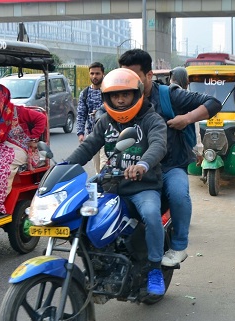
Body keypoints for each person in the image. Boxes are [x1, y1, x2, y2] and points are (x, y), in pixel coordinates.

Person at [65, 68, 168, 295]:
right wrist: (64, 165)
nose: (120, 100)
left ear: (136, 94)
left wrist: (142, 165)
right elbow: (88, 147)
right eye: (114, 95)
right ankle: (95, 263)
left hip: (143, 186)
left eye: (125, 94)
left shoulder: (152, 120)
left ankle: (154, 268)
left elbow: (158, 145)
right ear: (107, 98)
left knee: (151, 214)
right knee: (78, 212)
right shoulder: (105, 122)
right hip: (110, 183)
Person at [118, 49, 222, 267]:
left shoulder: (169, 95)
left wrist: (186, 118)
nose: (128, 83)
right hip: (132, 168)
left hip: (169, 165)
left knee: (178, 194)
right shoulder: (120, 97)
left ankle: (178, 245)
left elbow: (213, 103)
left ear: (149, 75)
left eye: (134, 77)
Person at [0, 83, 47, 219]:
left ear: (1, 96)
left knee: (3, 162)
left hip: (20, 147)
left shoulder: (16, 111)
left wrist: (34, 138)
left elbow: (41, 118)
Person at [76, 61, 105, 173]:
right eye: (92, 73)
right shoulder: (85, 93)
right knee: (98, 170)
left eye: (97, 73)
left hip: (109, 134)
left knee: (104, 166)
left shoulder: (109, 91)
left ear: (103, 74)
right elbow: (81, 114)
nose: (94, 76)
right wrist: (80, 133)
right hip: (93, 135)